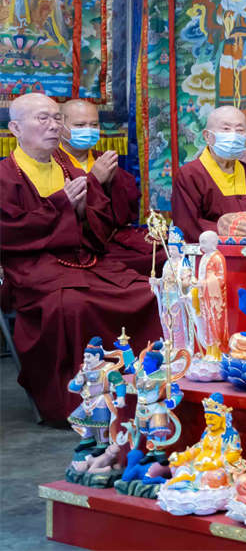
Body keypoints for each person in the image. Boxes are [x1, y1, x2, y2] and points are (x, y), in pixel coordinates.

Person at [0, 92, 160, 422]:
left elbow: (99, 226)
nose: (53, 125)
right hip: (33, 271)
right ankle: (80, 401)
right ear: (15, 128)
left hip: (83, 260)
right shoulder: (5, 176)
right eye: (42, 118)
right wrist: (61, 205)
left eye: (56, 118)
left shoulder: (68, 168)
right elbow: (9, 232)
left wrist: (86, 209)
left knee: (147, 291)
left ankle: (142, 390)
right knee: (74, 306)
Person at [57, 98, 152, 274]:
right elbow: (57, 214)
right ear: (61, 126)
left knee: (161, 255)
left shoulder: (103, 159)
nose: (88, 130)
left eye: (94, 125)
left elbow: (126, 213)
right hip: (77, 247)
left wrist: (112, 182)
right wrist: (94, 179)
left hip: (111, 240)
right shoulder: (53, 162)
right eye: (80, 125)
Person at [172, 106, 246, 242]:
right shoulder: (189, 175)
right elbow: (188, 225)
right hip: (211, 249)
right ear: (207, 136)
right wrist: (234, 232)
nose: (233, 135)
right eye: (226, 129)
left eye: (240, 130)